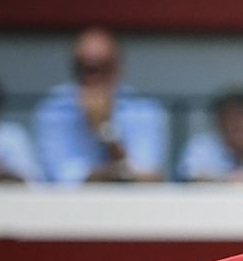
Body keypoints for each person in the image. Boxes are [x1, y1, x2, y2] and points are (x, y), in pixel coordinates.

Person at [33, 29, 168, 183]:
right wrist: (117, 173)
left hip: (130, 205)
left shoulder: (142, 109)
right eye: (85, 68)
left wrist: (105, 129)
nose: (93, 78)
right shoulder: (54, 109)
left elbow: (146, 178)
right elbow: (57, 177)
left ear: (117, 68)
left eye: (101, 68)